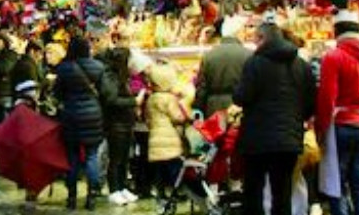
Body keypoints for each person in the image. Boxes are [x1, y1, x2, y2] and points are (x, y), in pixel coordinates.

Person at [234, 22, 316, 215]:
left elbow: (242, 97)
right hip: (289, 138)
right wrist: (296, 119)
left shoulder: (255, 63)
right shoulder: (301, 65)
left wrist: (236, 91)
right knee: (283, 192)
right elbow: (311, 102)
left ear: (262, 39)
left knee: (253, 191)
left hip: (257, 139)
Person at [316, 10, 359, 215]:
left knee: (338, 182)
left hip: (341, 125)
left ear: (336, 31)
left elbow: (327, 97)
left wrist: (321, 128)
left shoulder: (333, 57)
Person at [54, 35, 107, 211]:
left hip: (71, 115)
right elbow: (104, 92)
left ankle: (71, 197)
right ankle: (91, 197)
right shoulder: (98, 67)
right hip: (93, 115)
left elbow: (58, 93)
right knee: (92, 156)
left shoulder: (63, 68)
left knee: (72, 158)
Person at [98, 46, 140, 206]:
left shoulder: (122, 76)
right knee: (115, 159)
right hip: (115, 123)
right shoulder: (110, 76)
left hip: (125, 123)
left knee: (123, 159)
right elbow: (111, 100)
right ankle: (114, 190)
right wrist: (134, 101)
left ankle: (122, 187)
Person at [145, 63, 190, 203]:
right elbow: (177, 117)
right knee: (174, 167)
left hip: (154, 137)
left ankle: (160, 193)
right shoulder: (168, 99)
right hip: (169, 138)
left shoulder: (151, 99)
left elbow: (147, 118)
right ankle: (176, 192)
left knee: (158, 169)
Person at [196, 16, 252, 118]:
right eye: (244, 30)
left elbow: (201, 89)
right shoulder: (248, 55)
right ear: (238, 32)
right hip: (239, 109)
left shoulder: (209, 56)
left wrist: (198, 110)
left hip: (213, 110)